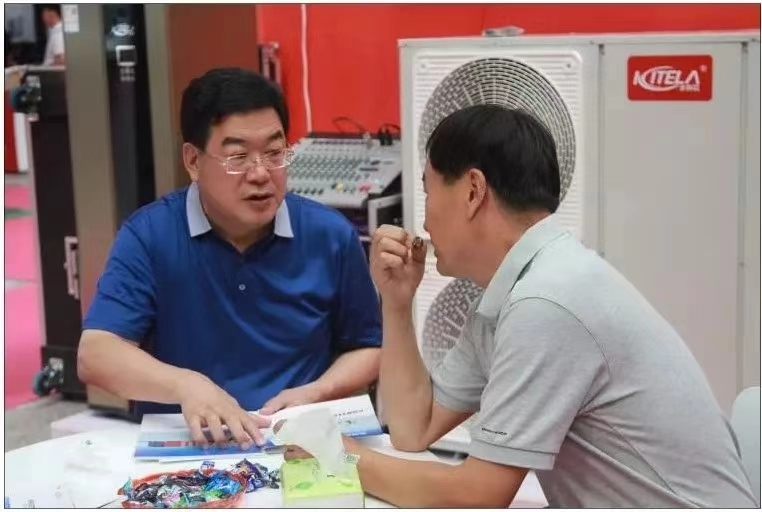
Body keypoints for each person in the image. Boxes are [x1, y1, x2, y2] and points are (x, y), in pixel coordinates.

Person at [291, 105, 757, 507]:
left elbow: (479, 494)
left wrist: (336, 454)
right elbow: (413, 428)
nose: (425, 218)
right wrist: (396, 303)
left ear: (473, 191)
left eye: (429, 191)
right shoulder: (517, 287)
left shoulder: (547, 301)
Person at [77, 68, 382, 449]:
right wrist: (187, 386)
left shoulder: (329, 235)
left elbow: (368, 347)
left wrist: (318, 391)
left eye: (274, 153)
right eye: (238, 157)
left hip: (296, 444)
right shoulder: (149, 236)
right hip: (190, 450)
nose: (261, 174)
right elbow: (96, 354)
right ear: (193, 160)